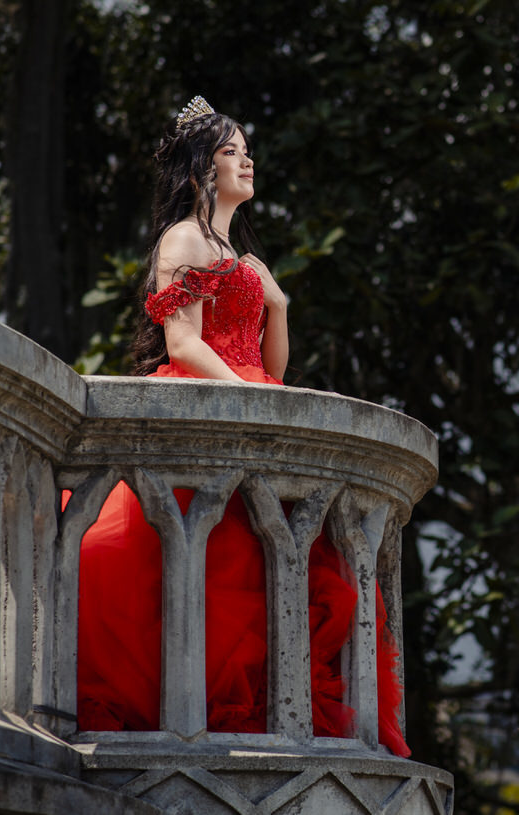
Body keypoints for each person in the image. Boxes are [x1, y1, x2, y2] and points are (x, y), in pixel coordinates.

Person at [74, 96, 409, 756]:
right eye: (231, 150)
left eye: (246, 148)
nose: (246, 158)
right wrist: (245, 398)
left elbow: (270, 360)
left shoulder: (242, 255)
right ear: (201, 169)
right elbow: (183, 344)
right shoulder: (184, 240)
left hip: (252, 398)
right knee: (209, 581)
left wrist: (276, 304)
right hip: (209, 404)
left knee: (267, 572)